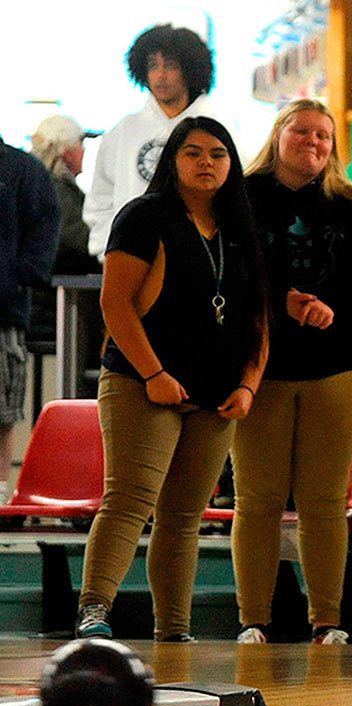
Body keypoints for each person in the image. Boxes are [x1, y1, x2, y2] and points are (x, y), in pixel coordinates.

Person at [75, 117, 268, 641]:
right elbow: (114, 303)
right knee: (131, 500)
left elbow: (258, 319)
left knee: (184, 517)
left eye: (218, 154)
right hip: (143, 384)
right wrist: (154, 373)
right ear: (172, 161)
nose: (207, 162)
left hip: (217, 393)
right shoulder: (144, 216)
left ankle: (174, 631)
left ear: (232, 163)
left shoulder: (241, 225)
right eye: (193, 152)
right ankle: (94, 610)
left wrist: (248, 384)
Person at [233, 99, 352, 646]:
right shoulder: (242, 199)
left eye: (323, 136)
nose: (314, 142)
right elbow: (227, 276)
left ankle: (328, 620)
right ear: (278, 135)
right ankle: (253, 618)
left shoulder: (351, 203)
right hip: (262, 367)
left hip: (338, 365)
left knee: (324, 498)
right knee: (258, 497)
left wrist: (331, 307)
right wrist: (284, 303)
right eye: (301, 131)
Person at [85, 24, 217, 259]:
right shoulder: (123, 131)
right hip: (131, 259)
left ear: (190, 70)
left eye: (171, 66)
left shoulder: (216, 129)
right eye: (152, 65)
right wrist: (109, 251)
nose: (160, 75)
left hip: (201, 259)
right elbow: (100, 201)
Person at [0, 134, 58, 502]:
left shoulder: (22, 170)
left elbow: (44, 231)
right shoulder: (24, 170)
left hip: (2, 312)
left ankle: (0, 496)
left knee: (1, 415)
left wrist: (17, 279)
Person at [31, 115, 99, 276]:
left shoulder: (38, 184)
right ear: (67, 153)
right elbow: (80, 240)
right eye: (80, 144)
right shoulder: (56, 190)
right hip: (57, 290)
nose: (83, 150)